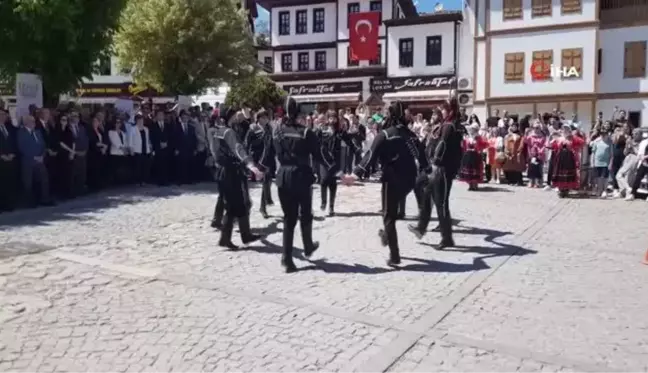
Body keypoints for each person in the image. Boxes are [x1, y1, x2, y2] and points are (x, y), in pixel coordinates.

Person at [341, 101, 428, 266]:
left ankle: (395, 256)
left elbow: (370, 156)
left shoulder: (385, 135)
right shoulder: (410, 135)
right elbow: (421, 155)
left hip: (392, 179)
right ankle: (387, 235)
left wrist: (355, 174)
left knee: (388, 216)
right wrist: (428, 170)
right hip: (409, 179)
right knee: (392, 210)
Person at [273, 97, 326, 273]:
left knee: (289, 219)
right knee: (305, 213)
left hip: (283, 176)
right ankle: (308, 245)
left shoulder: (277, 131)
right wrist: (335, 170)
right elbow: (319, 155)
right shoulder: (305, 132)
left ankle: (286, 259)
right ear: (299, 113)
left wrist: (258, 168)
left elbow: (267, 153)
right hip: (302, 176)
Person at [408, 96, 463, 250]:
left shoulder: (450, 126)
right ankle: (421, 228)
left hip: (442, 169)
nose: (442, 112)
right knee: (425, 194)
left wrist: (436, 160)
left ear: (449, 111)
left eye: (444, 109)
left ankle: (447, 238)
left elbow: (443, 144)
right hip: (437, 168)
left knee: (441, 203)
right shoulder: (447, 125)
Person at [210, 106, 264, 249]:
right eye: (233, 116)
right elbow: (238, 149)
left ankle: (246, 235)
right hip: (230, 172)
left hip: (223, 171)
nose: (235, 118)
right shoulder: (228, 132)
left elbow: (215, 152)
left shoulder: (216, 132)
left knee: (241, 203)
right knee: (233, 205)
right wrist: (250, 165)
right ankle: (225, 239)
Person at [245, 109, 275, 219]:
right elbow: (247, 143)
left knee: (268, 181)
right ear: (258, 118)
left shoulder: (269, 128)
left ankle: (266, 201)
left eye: (266, 118)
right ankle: (263, 207)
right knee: (264, 181)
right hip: (257, 158)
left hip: (268, 158)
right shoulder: (253, 129)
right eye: (263, 117)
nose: (265, 120)